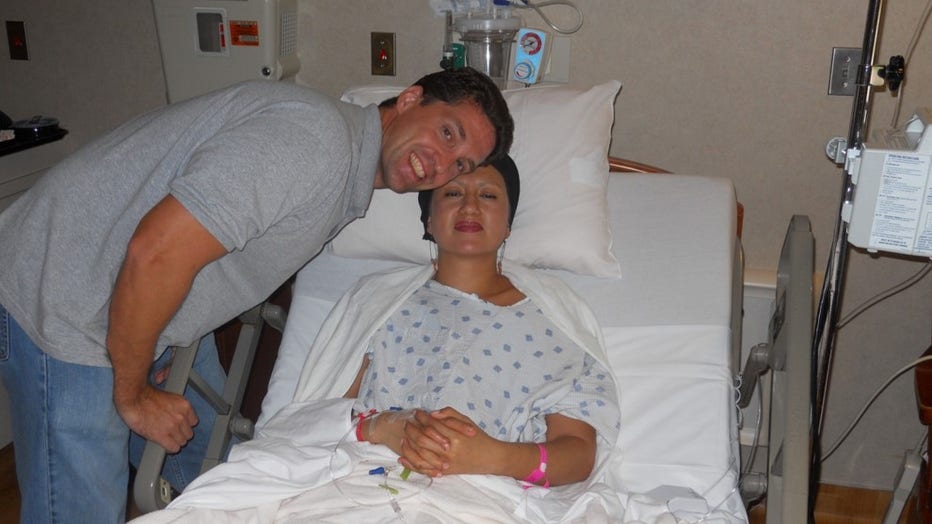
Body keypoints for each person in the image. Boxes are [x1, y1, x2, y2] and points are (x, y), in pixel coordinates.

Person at [0, 66, 513, 523]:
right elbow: (155, 253)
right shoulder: (314, 143)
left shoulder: (342, 169)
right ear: (408, 100)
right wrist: (133, 393)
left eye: (463, 164)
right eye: (448, 133)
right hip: (70, 297)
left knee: (231, 474)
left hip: (151, 306)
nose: (443, 164)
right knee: (82, 506)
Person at [130, 156, 621, 522]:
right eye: (452, 193)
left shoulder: (553, 317)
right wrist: (381, 426)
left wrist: (492, 455)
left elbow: (577, 452)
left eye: (488, 195)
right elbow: (311, 419)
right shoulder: (378, 300)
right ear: (427, 221)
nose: (470, 204)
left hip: (481, 497)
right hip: (357, 480)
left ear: (509, 222)